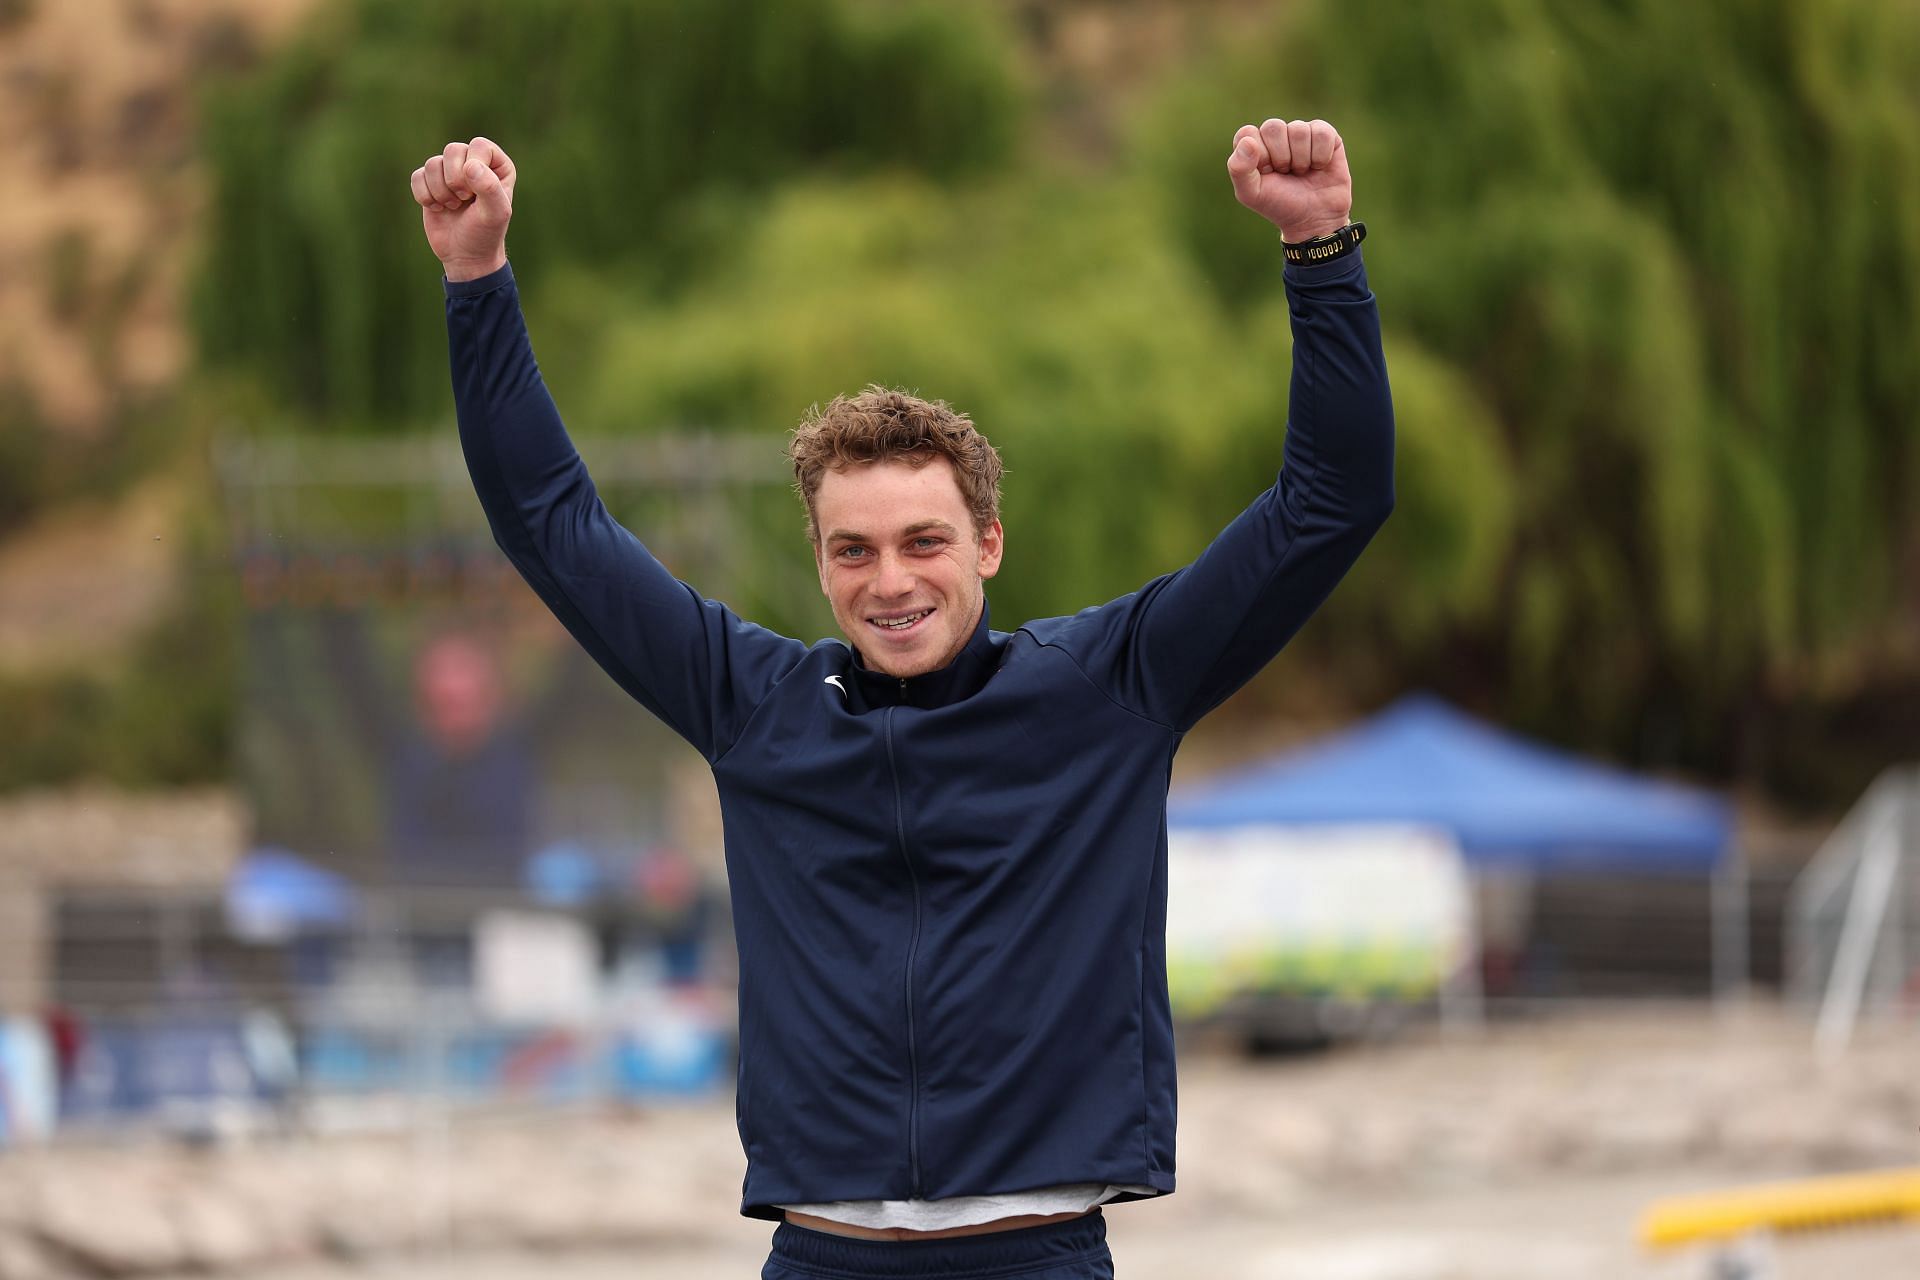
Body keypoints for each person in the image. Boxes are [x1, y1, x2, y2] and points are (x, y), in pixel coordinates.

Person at [412, 116, 1392, 1280]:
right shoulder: (752, 705)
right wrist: (475, 276)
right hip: (821, 1256)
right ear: (820, 561)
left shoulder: (1113, 686)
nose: (890, 580)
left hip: (1036, 1255)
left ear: (987, 541)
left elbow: (1331, 499)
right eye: (853, 549)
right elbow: (551, 525)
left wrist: (1321, 249)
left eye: (923, 539)